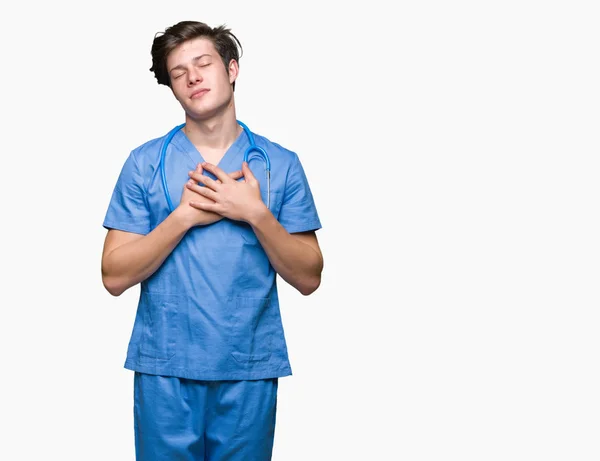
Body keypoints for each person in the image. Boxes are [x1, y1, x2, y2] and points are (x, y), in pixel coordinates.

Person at [101, 20, 323, 461]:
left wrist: (255, 213)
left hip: (248, 367)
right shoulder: (145, 164)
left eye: (203, 63)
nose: (193, 77)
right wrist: (182, 217)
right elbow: (113, 276)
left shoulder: (279, 164)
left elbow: (310, 276)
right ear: (172, 87)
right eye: (179, 72)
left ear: (232, 69)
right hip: (165, 369)